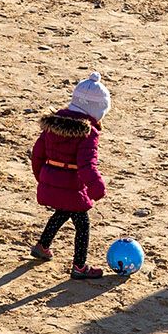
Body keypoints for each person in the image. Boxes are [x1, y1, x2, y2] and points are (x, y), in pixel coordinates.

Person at [29, 72, 111, 279]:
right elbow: (86, 165)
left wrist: (43, 178)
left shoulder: (53, 124)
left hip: (51, 180)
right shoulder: (87, 132)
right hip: (72, 185)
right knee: (82, 223)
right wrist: (97, 188)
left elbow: (37, 154)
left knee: (64, 211)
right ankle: (80, 267)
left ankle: (42, 245)